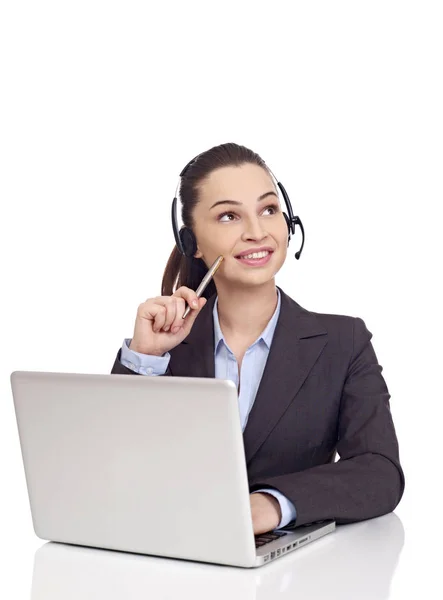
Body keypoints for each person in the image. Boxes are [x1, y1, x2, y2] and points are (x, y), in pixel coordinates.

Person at [111, 142, 405, 536]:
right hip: (168, 561)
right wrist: (145, 358)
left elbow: (379, 471)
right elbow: (113, 472)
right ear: (191, 242)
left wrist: (272, 505)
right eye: (229, 216)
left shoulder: (343, 341)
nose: (256, 232)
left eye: (268, 210)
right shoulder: (164, 350)